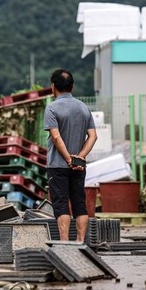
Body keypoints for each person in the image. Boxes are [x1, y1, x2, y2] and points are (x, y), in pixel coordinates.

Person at [44, 69, 97, 242]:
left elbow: (56, 136)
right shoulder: (83, 107)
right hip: (79, 166)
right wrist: (78, 158)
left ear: (53, 87)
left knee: (61, 205)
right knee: (79, 204)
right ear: (72, 86)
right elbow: (93, 136)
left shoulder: (52, 108)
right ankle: (81, 242)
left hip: (58, 166)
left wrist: (68, 159)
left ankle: (64, 244)